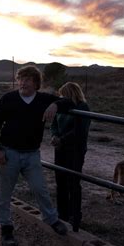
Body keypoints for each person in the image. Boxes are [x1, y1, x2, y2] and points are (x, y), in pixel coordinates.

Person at [0, 65, 72, 246]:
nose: (23, 82)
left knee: (40, 189)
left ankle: (52, 219)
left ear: (36, 83)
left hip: (32, 154)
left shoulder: (44, 99)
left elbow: (70, 103)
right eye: (21, 78)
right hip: (9, 153)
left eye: (28, 79)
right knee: (4, 193)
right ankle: (6, 227)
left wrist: (55, 104)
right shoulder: (8, 99)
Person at [50, 82, 90, 232]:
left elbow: (79, 131)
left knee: (73, 182)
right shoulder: (62, 108)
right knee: (60, 181)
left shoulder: (82, 107)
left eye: (63, 94)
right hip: (60, 147)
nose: (61, 98)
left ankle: (75, 215)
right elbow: (54, 124)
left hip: (74, 149)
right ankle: (62, 214)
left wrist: (62, 139)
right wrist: (54, 135)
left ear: (70, 94)